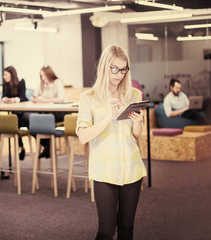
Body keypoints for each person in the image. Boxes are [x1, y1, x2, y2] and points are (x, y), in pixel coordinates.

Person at [76, 44, 147, 240]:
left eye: (123, 69)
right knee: (106, 231)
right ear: (104, 67)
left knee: (126, 227)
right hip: (105, 171)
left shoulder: (134, 95)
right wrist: (108, 117)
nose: (118, 74)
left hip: (132, 169)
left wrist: (138, 123)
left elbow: (137, 135)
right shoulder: (88, 98)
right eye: (114, 68)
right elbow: (83, 136)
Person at [29, 65, 66, 158]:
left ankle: (47, 147)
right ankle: (47, 146)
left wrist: (43, 100)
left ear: (50, 74)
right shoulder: (42, 84)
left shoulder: (57, 82)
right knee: (31, 121)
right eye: (41, 76)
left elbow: (60, 99)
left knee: (37, 121)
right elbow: (33, 96)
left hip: (58, 113)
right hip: (45, 113)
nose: (43, 78)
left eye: (45, 76)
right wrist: (35, 98)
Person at [0, 66, 29, 160]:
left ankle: (21, 147)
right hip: (13, 112)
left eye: (6, 74)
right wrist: (5, 99)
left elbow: (23, 97)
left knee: (17, 123)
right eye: (3, 75)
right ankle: (21, 147)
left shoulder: (21, 82)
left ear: (12, 75)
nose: (4, 77)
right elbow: (4, 96)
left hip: (22, 112)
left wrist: (15, 100)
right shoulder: (6, 84)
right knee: (14, 123)